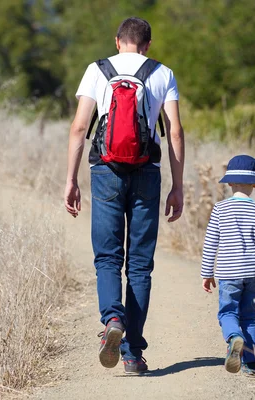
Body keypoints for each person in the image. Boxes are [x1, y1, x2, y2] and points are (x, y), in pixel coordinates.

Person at [64, 17, 184, 375]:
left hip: (105, 170)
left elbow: (79, 127)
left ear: (118, 42)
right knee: (140, 265)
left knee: (107, 258)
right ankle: (132, 354)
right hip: (148, 172)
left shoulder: (97, 70)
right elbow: (175, 132)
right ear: (147, 45)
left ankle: (112, 318)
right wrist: (177, 186)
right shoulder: (163, 73)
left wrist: (71, 179)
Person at [200, 155, 255, 375]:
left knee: (228, 312)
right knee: (249, 315)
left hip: (228, 272)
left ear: (230, 183)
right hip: (253, 272)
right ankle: (251, 363)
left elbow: (210, 243)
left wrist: (207, 273)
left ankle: (234, 337)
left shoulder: (220, 209)